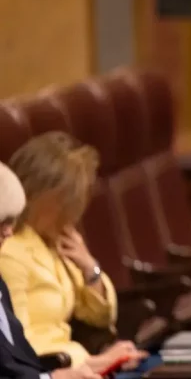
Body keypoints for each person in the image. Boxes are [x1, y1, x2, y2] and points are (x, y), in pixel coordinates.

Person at [0, 132, 148, 376]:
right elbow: (14, 352)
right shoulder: (11, 252)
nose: (73, 213)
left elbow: (101, 316)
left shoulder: (55, 242)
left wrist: (90, 268)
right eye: (67, 203)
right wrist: (82, 363)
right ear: (42, 197)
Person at [0, 160, 103, 378]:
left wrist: (90, 268)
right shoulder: (11, 256)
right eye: (2, 221)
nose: (8, 232)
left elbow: (18, 360)